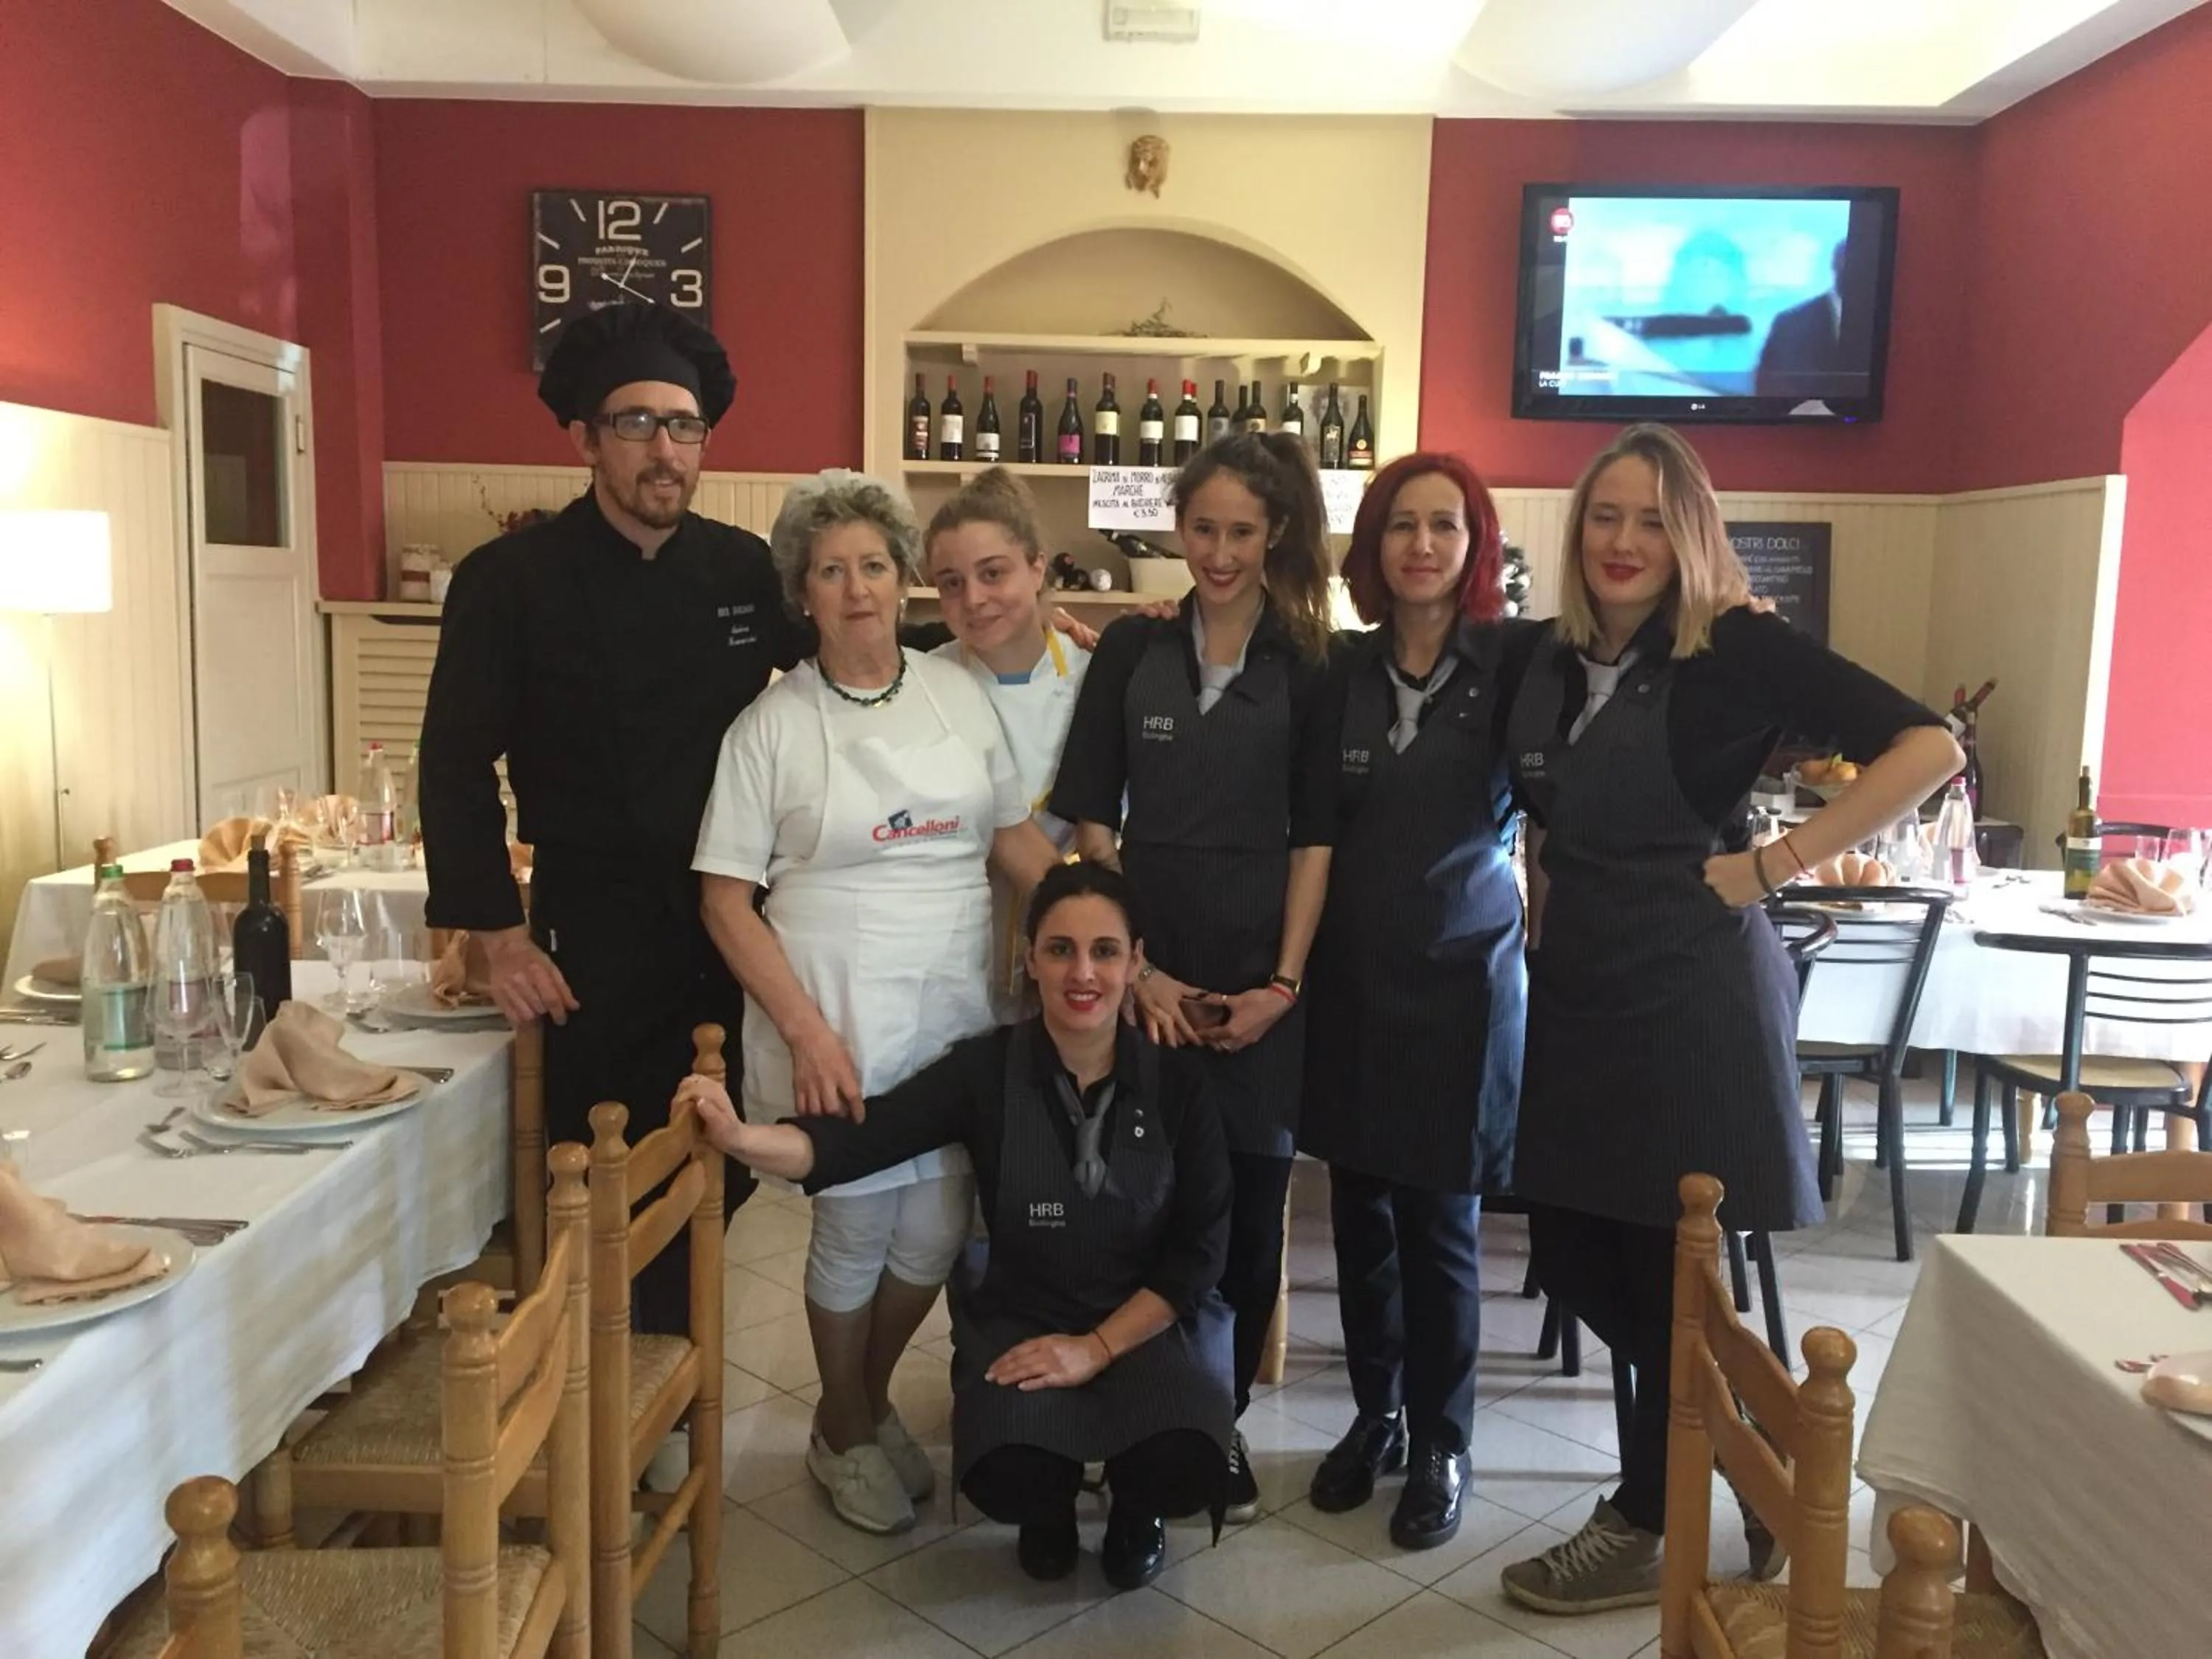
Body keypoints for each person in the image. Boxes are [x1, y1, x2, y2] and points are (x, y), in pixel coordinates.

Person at [1496, 423, 1961, 1615]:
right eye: (1606, 515)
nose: (1624, 540)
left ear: (1693, 533)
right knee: (1581, 1257)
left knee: (1669, 1269)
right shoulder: (1550, 659)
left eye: (1654, 518)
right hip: (1585, 996)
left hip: (1691, 994)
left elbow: (1929, 745)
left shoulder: (1737, 651)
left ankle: (1650, 1516)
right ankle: (1760, 1450)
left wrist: (1776, 865)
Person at [678, 862, 1233, 1592]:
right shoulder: (987, 1072)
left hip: (1146, 1324)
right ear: (1029, 960)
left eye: (1105, 951)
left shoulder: (1179, 1085)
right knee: (1008, 1471)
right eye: (1060, 949)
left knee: (1183, 1457)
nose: (1083, 972)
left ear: (1135, 963)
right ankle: (1051, 1507)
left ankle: (1137, 1508)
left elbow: (1200, 1251)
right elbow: (862, 1138)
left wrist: (1096, 1348)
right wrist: (743, 1139)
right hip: (1027, 1319)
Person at [692, 469, 1060, 1536]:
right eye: (829, 571)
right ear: (801, 593)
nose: (855, 589)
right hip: (831, 1007)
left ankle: (854, 1404)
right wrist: (803, 1029)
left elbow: (1012, 838)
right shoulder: (770, 724)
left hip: (952, 1007)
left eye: (871, 565)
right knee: (855, 1228)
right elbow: (724, 898)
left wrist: (1114, 925)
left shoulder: (956, 693)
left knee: (938, 1229)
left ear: (901, 579)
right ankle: (849, 1426)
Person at [419, 303, 786, 1335]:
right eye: (635, 423)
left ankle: (663, 1389)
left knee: (719, 1161)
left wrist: (1017, 631)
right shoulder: (508, 583)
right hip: (590, 934)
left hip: (728, 919)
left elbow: (846, 661)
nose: (664, 449)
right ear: (584, 439)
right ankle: (603, 1391)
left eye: (684, 424)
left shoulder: (742, 569)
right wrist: (496, 935)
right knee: (595, 1171)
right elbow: (452, 760)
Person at [1049, 431, 1335, 1524]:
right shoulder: (1133, 652)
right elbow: (1090, 821)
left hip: (1262, 985)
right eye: (1202, 528)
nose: (1218, 553)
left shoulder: (1309, 660)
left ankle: (1214, 1427)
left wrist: (1284, 984)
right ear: (1178, 529)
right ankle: (1118, 1412)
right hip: (1144, 984)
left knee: (1248, 1214)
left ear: (1275, 536)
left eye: (1241, 533)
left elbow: (1317, 838)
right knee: (1129, 1204)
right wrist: (1140, 974)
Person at [1298, 452, 1526, 1551]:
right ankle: (1375, 1414)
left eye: (1445, 525)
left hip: (1465, 982)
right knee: (1361, 1221)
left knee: (1441, 1225)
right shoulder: (1337, 669)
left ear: (1476, 543)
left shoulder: (1517, 661)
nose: (1422, 544)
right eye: (1401, 525)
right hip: (1350, 982)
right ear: (1374, 546)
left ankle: (1443, 1436)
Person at [923, 467, 1093, 1020]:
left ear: (1038, 565)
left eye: (993, 574)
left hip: (1069, 951)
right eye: (951, 582)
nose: (973, 599)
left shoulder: (1098, 680)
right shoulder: (923, 683)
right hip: (951, 946)